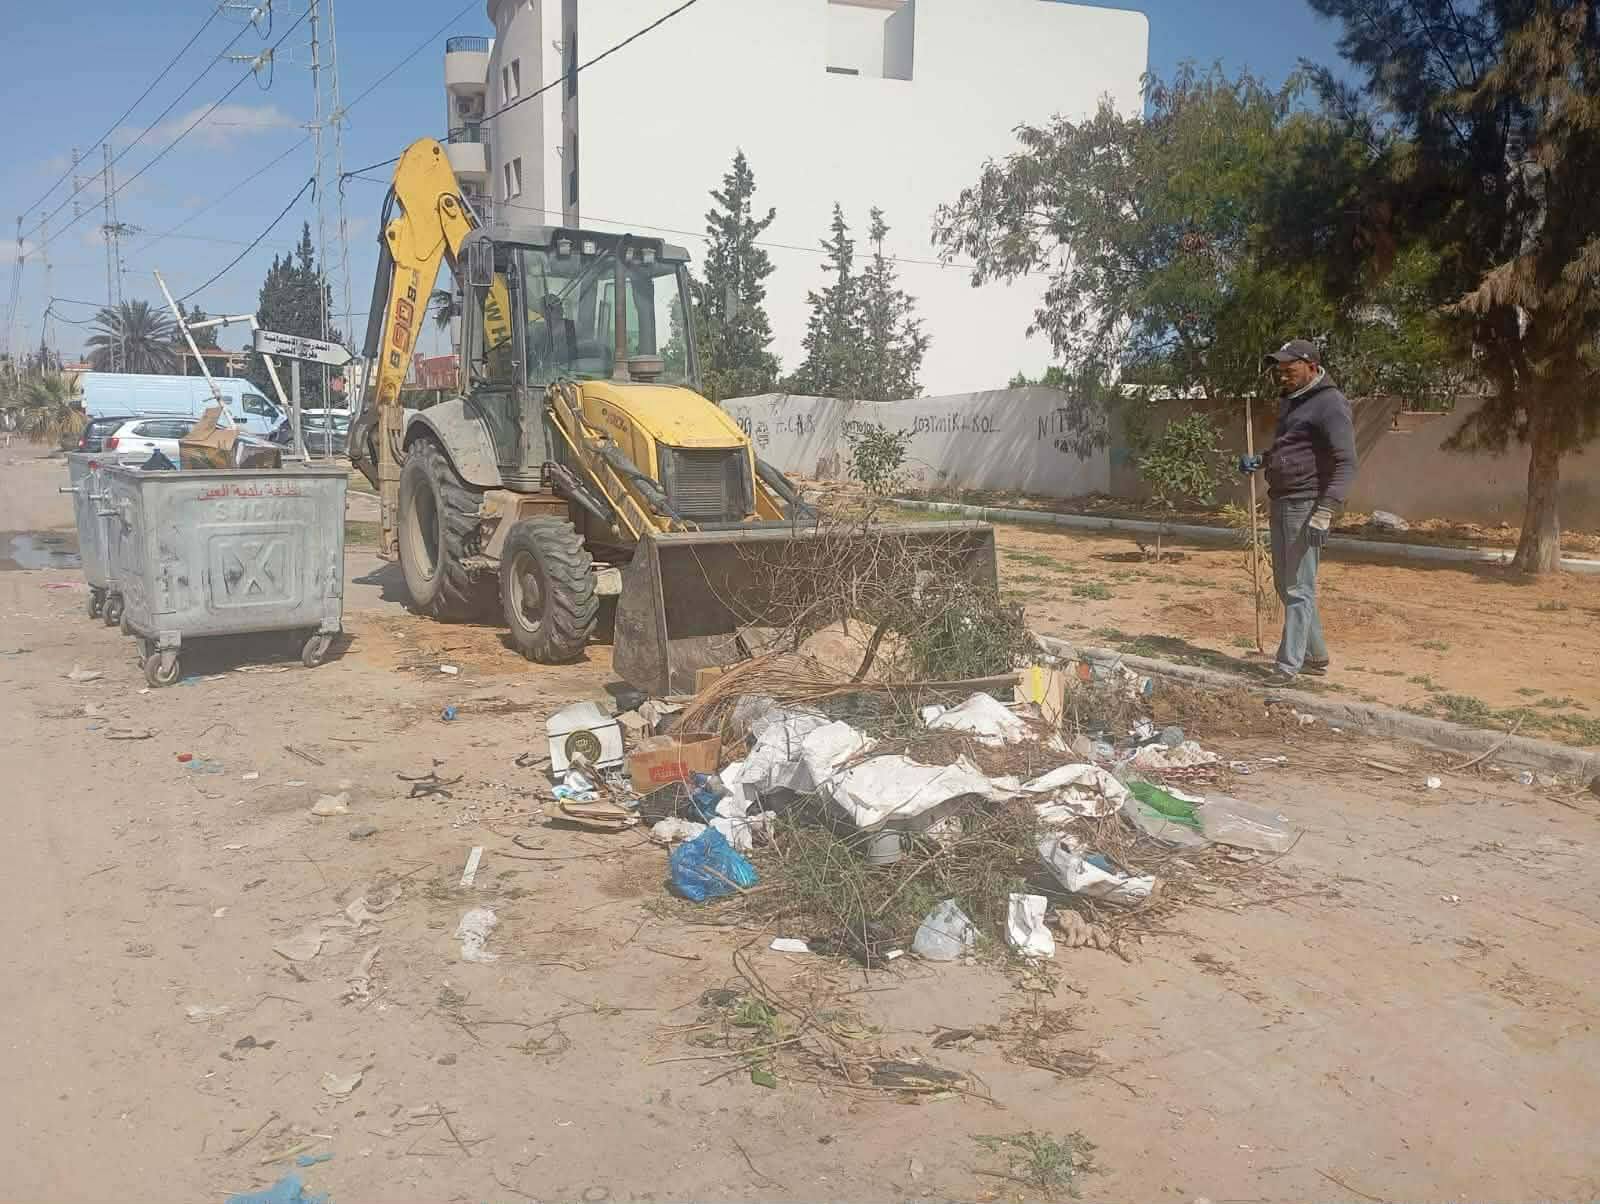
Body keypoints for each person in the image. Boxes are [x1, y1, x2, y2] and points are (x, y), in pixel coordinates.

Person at [1239, 339, 1357, 682]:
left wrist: (1326, 510)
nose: (1283, 376)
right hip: (1282, 499)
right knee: (1285, 584)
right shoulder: (1293, 402)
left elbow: (1347, 462)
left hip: (1307, 504)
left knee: (1297, 587)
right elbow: (1291, 449)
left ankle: (1287, 667)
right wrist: (1262, 460)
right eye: (1280, 371)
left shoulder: (1330, 403)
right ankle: (1315, 654)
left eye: (1289, 370)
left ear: (1312, 367)